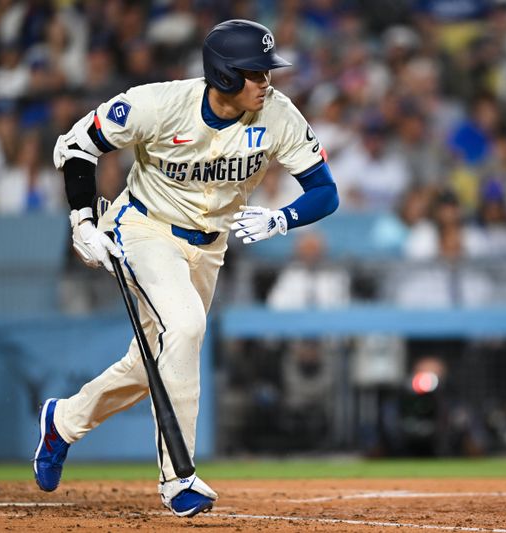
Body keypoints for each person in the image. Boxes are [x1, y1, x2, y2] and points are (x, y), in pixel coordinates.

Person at [32, 20, 339, 518]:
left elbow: (326, 192)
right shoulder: (158, 104)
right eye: (255, 72)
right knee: (187, 327)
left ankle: (62, 421)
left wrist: (283, 218)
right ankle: (179, 478)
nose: (267, 81)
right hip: (144, 229)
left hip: (209, 249)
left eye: (267, 71)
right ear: (223, 76)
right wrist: (83, 222)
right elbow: (76, 145)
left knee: (149, 361)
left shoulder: (277, 114)